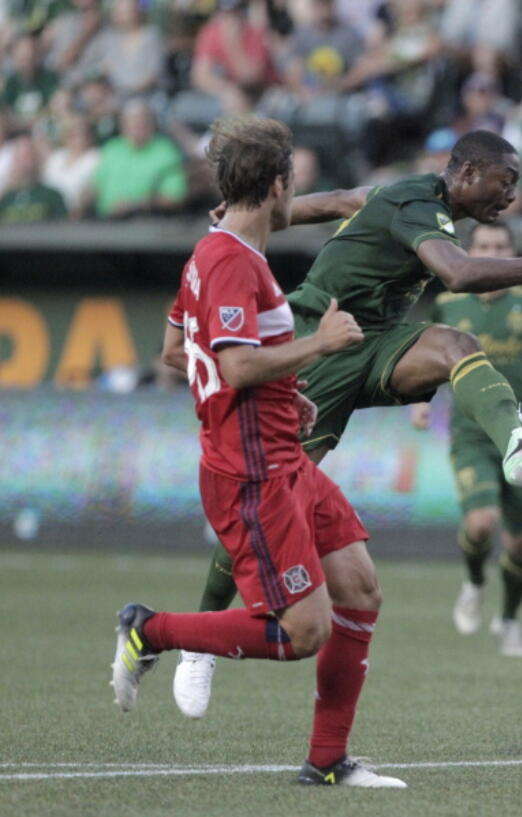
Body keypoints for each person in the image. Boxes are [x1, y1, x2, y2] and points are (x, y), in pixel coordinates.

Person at [171, 128, 522, 719]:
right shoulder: (415, 203)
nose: (511, 196)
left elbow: (345, 198)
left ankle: (515, 439)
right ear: (469, 172)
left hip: (374, 342)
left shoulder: (411, 200)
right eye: (507, 181)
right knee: (266, 498)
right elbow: (458, 275)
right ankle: (201, 641)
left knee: (455, 343)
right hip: (320, 341)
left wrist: (271, 211)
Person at [109, 116, 404, 788]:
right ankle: (149, 630)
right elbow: (236, 366)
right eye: (293, 179)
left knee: (359, 585)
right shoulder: (232, 263)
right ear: (278, 185)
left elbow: (177, 352)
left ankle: (327, 761)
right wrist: (320, 344)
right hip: (252, 474)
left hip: (281, 455)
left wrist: (284, 392)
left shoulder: (214, 254)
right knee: (303, 632)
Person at [410, 222, 522, 657]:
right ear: (469, 253)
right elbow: (426, 356)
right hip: (471, 434)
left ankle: (508, 620)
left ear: (511, 252)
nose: (493, 251)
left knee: (521, 544)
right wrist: (420, 401)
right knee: (481, 522)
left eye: (500, 246)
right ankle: (473, 581)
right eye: (484, 246)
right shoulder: (450, 303)